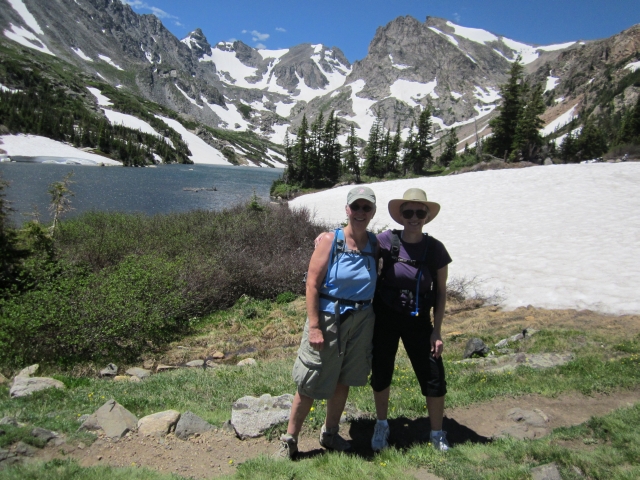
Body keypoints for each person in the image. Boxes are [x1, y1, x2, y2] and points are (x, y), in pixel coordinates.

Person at [276, 186, 379, 459]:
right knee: (311, 379)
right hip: (329, 318)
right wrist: (314, 326)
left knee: (343, 378)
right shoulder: (331, 240)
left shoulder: (376, 243)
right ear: (347, 209)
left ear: (373, 212)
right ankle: (290, 439)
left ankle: (330, 433)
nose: (360, 212)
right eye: (355, 207)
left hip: (361, 320)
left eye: (365, 208)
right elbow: (311, 284)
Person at [369, 188, 452, 452]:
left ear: (427, 216)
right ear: (401, 216)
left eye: (419, 212)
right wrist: (327, 238)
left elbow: (441, 292)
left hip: (419, 320)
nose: (414, 218)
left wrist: (437, 331)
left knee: (433, 374)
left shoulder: (436, 249)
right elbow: (358, 243)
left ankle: (437, 432)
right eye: (408, 212)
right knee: (381, 371)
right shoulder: (385, 241)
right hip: (385, 316)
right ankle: (381, 424)